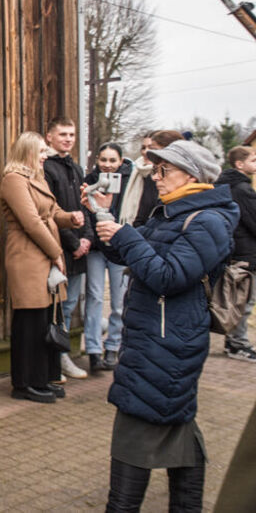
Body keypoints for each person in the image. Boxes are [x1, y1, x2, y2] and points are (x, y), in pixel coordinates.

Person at [87, 140, 238, 512]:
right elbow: (134, 255)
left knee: (137, 432)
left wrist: (127, 237)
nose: (156, 177)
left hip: (169, 344)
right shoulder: (170, 212)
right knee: (178, 433)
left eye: (163, 170)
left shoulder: (209, 221)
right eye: (155, 170)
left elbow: (168, 276)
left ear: (191, 175)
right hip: (153, 339)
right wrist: (106, 221)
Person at [1, 131, 83, 403]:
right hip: (27, 255)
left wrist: (71, 218)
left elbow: (53, 213)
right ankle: (24, 383)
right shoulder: (13, 180)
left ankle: (44, 377)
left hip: (43, 255)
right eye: (42, 152)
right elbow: (32, 222)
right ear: (27, 152)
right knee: (30, 321)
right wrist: (57, 253)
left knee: (46, 318)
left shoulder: (38, 178)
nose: (46, 157)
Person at [43, 117, 95, 379]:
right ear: (49, 137)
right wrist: (73, 243)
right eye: (62, 134)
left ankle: (63, 356)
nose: (68, 138)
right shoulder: (47, 168)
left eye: (72, 134)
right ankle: (55, 360)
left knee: (71, 303)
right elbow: (50, 211)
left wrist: (87, 238)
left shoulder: (76, 169)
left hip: (80, 251)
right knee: (57, 308)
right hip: (60, 250)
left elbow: (86, 206)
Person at [83, 142, 133, 371]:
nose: (108, 165)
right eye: (104, 160)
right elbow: (84, 213)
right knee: (94, 297)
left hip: (118, 249)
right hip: (95, 248)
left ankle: (113, 346)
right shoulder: (90, 180)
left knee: (119, 299)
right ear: (98, 160)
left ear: (120, 161)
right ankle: (93, 349)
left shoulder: (128, 182)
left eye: (113, 160)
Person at [215, 146, 256, 362]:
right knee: (244, 301)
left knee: (236, 299)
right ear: (240, 164)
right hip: (246, 254)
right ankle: (237, 344)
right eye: (254, 160)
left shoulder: (226, 186)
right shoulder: (242, 189)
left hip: (233, 251)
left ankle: (234, 341)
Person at [119, 130, 184, 228]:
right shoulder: (136, 174)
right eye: (143, 148)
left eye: (152, 148)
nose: (146, 152)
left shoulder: (174, 183)